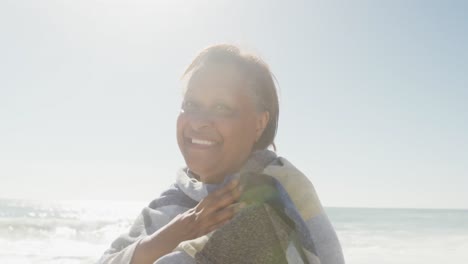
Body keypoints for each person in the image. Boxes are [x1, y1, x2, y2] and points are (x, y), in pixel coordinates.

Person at [98, 44, 345, 264]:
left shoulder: (272, 200)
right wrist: (172, 235)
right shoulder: (172, 202)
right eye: (191, 105)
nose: (198, 122)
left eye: (221, 107)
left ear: (258, 124)